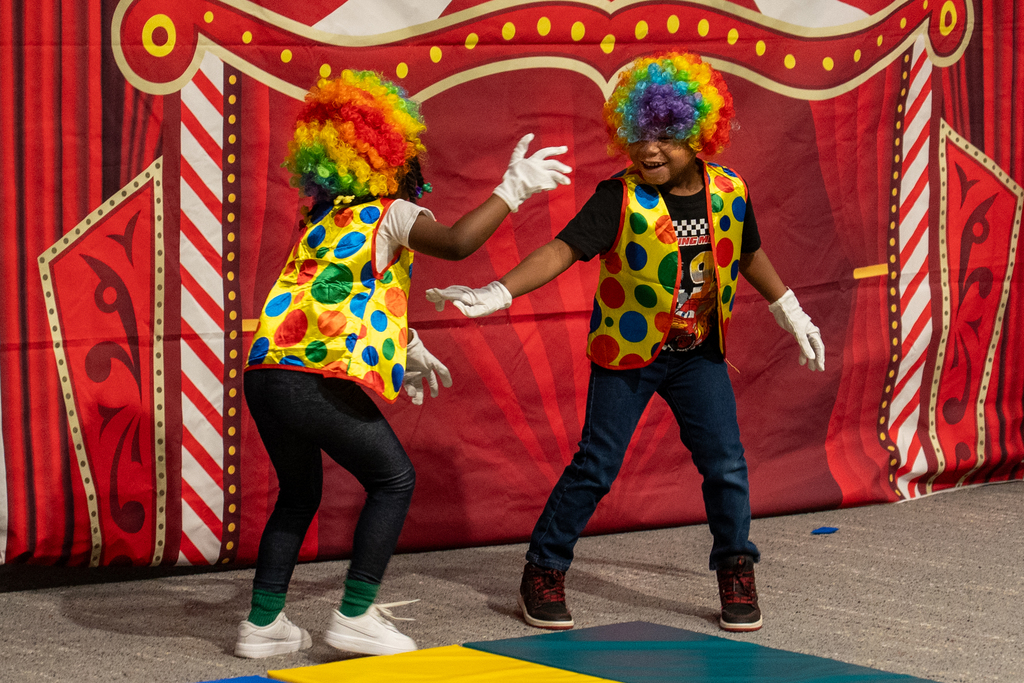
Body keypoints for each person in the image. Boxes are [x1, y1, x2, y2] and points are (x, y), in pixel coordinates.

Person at [426, 51, 824, 633]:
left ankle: (736, 568)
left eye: (666, 137)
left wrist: (789, 308)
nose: (649, 150)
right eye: (639, 137)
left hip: (697, 354)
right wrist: (500, 291)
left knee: (726, 466)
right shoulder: (621, 196)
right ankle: (543, 569)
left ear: (698, 133)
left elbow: (749, 252)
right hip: (628, 354)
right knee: (596, 465)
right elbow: (562, 249)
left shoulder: (730, 190)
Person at [235, 70, 571, 658]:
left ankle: (262, 626)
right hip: (311, 380)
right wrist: (512, 188)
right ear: (389, 154)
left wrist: (405, 341)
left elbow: (332, 295)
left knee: (298, 494)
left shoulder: (321, 221)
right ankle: (355, 615)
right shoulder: (390, 213)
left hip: (266, 376)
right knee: (394, 479)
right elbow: (458, 243)